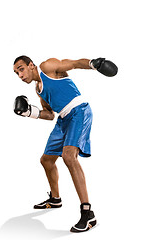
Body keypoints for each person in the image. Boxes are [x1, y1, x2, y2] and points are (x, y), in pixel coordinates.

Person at [12, 55, 117, 233]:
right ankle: (55, 199)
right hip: (63, 119)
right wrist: (29, 112)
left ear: (31, 65)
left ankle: (88, 213)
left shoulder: (47, 67)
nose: (20, 75)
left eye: (21, 69)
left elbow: (75, 64)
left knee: (69, 157)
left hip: (79, 111)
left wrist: (93, 64)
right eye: (16, 73)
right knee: (46, 160)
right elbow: (49, 114)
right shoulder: (38, 90)